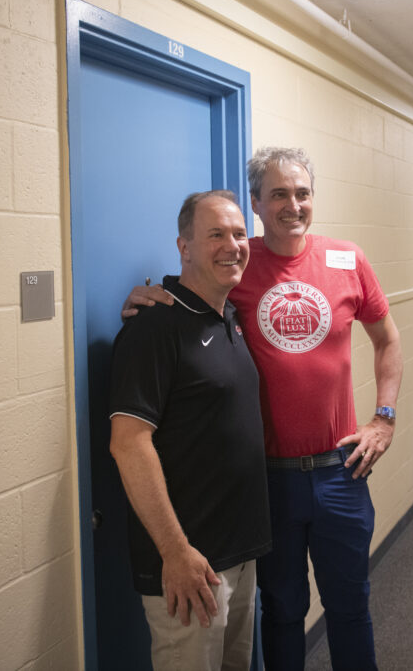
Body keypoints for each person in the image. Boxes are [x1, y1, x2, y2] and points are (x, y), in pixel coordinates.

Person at [123, 147, 403, 670]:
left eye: (302, 194)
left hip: (340, 471)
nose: (292, 205)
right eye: (278, 194)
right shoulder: (237, 261)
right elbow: (189, 295)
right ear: (256, 203)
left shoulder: (347, 258)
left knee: (350, 606)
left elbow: (387, 340)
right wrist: (145, 297)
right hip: (267, 482)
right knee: (281, 610)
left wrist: (383, 419)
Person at [108, 191, 271, 671]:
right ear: (184, 247)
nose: (232, 245)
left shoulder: (231, 317)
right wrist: (175, 553)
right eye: (215, 234)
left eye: (239, 234)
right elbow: (129, 445)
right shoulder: (152, 330)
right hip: (189, 565)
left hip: (239, 555)